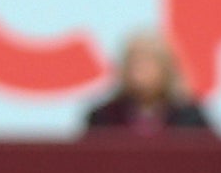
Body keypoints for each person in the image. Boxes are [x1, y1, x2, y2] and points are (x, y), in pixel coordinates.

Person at [82, 28, 210, 131]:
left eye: (148, 63)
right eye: (134, 63)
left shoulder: (189, 119)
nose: (140, 71)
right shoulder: (104, 118)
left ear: (166, 69)